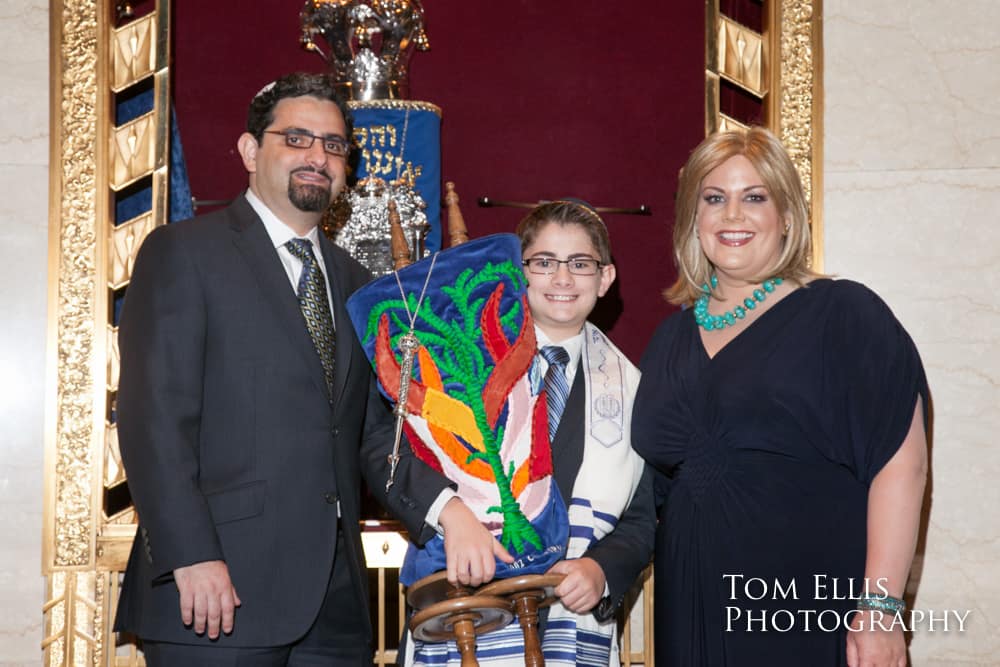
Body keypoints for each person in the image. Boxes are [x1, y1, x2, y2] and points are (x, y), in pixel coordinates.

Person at [114, 72, 496, 666]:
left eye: (334, 145)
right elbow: (152, 420)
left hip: (336, 603)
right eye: (296, 138)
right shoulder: (183, 253)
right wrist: (191, 555)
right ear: (249, 150)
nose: (318, 156)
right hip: (217, 594)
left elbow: (373, 434)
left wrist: (449, 510)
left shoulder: (356, 285)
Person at [632, 126, 928, 666]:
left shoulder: (842, 314)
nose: (732, 215)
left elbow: (901, 465)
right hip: (691, 606)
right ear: (693, 221)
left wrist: (881, 608)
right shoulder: (668, 338)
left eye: (755, 198)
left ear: (787, 216)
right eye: (714, 198)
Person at [407, 201, 656, 667]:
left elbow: (640, 521)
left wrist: (601, 570)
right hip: (469, 603)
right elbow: (397, 457)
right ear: (518, 274)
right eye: (543, 263)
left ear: (606, 279)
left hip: (570, 618)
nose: (562, 280)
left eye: (581, 264)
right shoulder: (459, 362)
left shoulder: (633, 388)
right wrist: (450, 513)